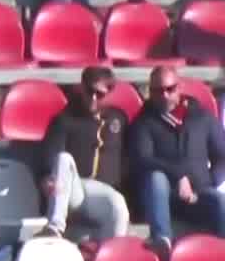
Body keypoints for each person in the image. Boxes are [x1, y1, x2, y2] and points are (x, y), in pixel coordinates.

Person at [127, 64, 225, 246]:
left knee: (220, 201)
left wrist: (209, 182)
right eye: (158, 91)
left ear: (179, 88)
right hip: (162, 197)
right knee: (156, 177)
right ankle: (162, 240)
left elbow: (221, 156)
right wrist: (179, 175)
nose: (164, 95)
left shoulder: (202, 118)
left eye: (170, 89)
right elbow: (142, 159)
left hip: (198, 194)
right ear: (150, 92)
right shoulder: (143, 122)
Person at [38, 65, 130, 241]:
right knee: (63, 158)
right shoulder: (65, 119)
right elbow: (51, 155)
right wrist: (48, 176)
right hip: (74, 188)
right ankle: (54, 227)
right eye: (89, 91)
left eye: (100, 94)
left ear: (109, 94)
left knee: (118, 204)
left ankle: (113, 253)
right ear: (82, 88)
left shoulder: (118, 118)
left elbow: (129, 155)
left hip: (104, 192)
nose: (93, 98)